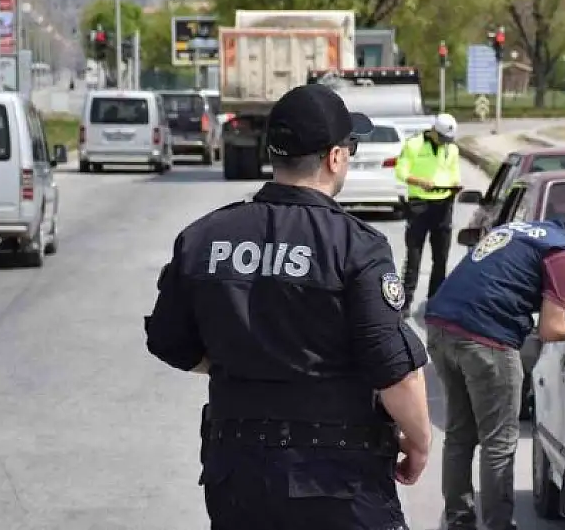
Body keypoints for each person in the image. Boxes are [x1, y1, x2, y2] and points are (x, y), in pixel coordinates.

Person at [144, 83, 431, 530]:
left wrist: (248, 362)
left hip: (238, 476)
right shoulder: (357, 247)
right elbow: (393, 369)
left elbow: (168, 341)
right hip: (338, 483)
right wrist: (419, 443)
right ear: (335, 157)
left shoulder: (203, 237)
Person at [425, 216, 565, 530]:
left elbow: (507, 279)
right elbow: (552, 328)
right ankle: (498, 524)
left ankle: (459, 520)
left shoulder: (524, 231)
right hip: (487, 340)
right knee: (499, 442)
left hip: (440, 328)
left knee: (460, 435)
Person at [394, 113, 462, 317]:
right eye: (441, 138)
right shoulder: (414, 145)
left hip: (444, 203)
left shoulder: (452, 149)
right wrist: (419, 181)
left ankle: (435, 300)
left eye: (447, 140)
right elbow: (401, 171)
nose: (444, 143)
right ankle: (405, 303)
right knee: (414, 255)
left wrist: (456, 185)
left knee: (441, 257)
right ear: (433, 131)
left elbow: (454, 172)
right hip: (420, 205)